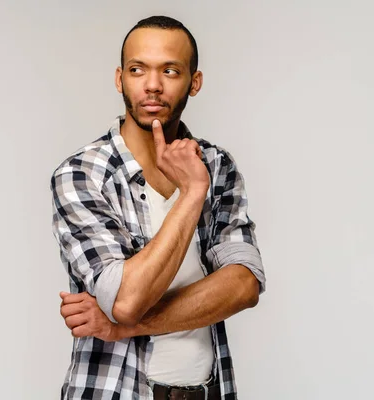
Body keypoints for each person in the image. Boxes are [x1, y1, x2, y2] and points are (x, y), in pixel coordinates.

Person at [50, 15, 266, 400]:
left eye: (170, 70)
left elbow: (244, 284)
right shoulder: (83, 174)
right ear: (120, 79)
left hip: (207, 391)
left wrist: (124, 327)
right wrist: (192, 193)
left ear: (193, 82)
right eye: (138, 70)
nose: (152, 85)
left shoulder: (217, 166)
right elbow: (126, 300)